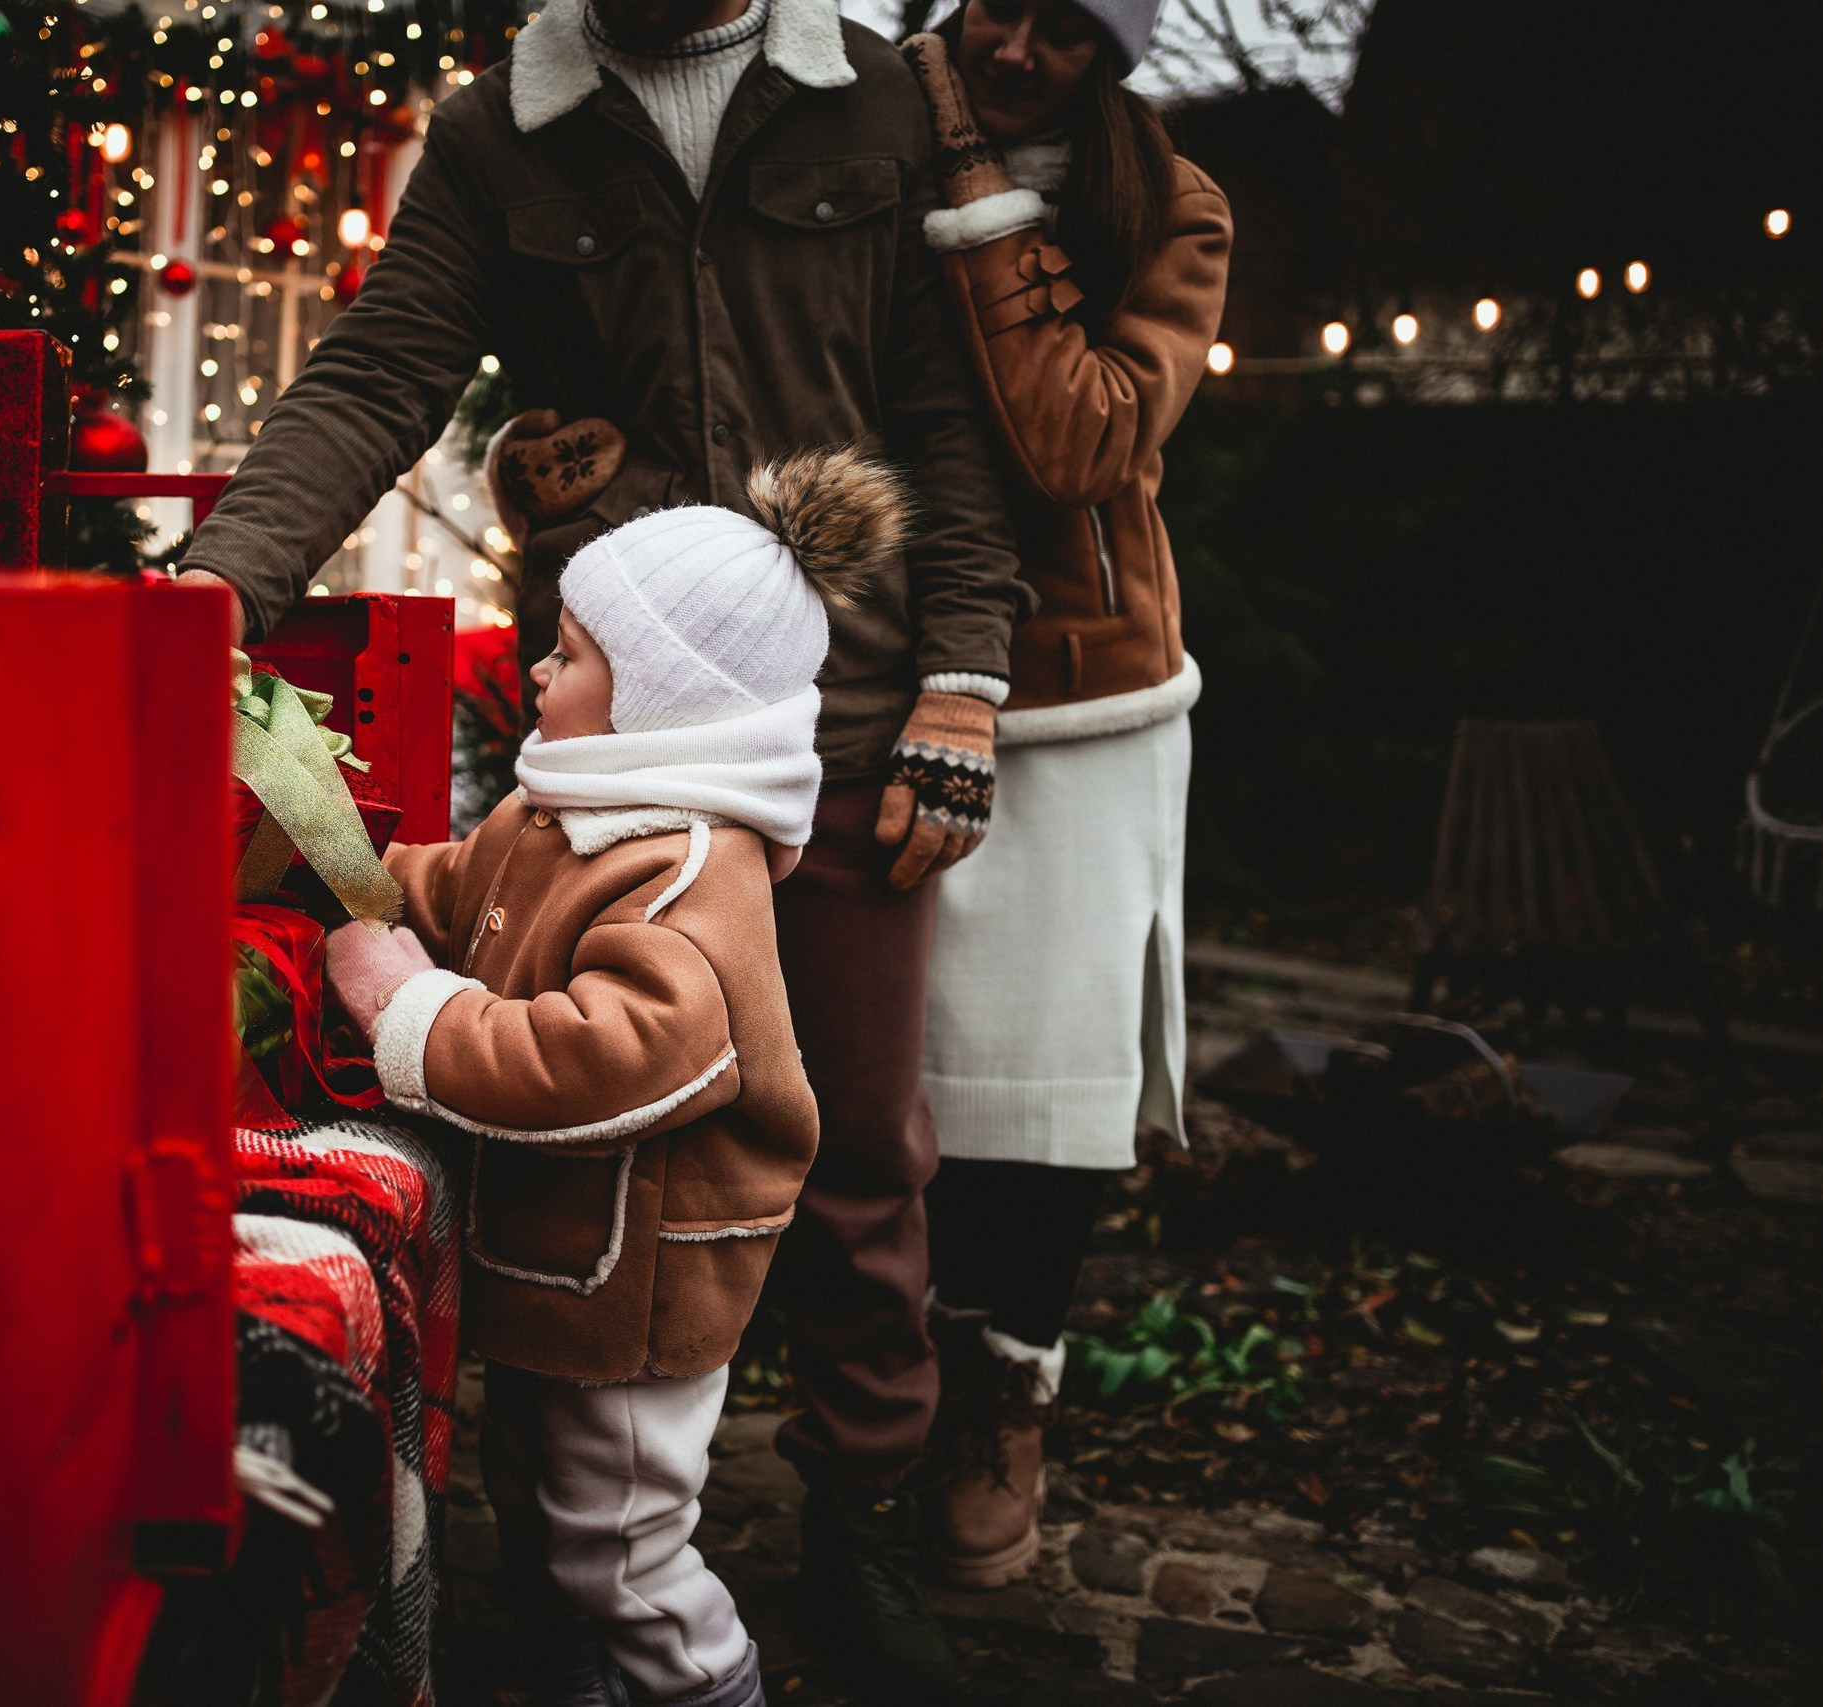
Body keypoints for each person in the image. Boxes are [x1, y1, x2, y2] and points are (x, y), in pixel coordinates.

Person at [181, 0, 1029, 1695]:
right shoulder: (504, 129)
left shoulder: (870, 102)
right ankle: (580, 1524)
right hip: (608, 724)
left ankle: (853, 1508)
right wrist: (220, 581)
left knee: (859, 1142)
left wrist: (964, 670)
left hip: (839, 721)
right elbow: (380, 366)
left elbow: (951, 411)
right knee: (566, 1129)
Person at [327, 450, 904, 1707]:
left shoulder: (691, 868)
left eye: (573, 654)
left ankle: (709, 1690)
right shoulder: (562, 816)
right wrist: (339, 870)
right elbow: (456, 891)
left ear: (660, 695)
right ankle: (574, 1687)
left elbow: (623, 1055)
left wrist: (408, 1009)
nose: (538, 669)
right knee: (540, 1500)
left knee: (625, 1551)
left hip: (644, 1284)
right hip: (562, 1254)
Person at [894, 0, 1230, 1589]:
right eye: (995, 11)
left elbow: (1079, 436)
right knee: (918, 1080)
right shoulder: (855, 137)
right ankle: (904, 1383)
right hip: (883, 668)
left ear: (1117, 58)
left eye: (1070, 31)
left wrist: (976, 186)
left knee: (1051, 1090)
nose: (1020, 49)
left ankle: (1004, 1393)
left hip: (1090, 698)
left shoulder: (1167, 203)